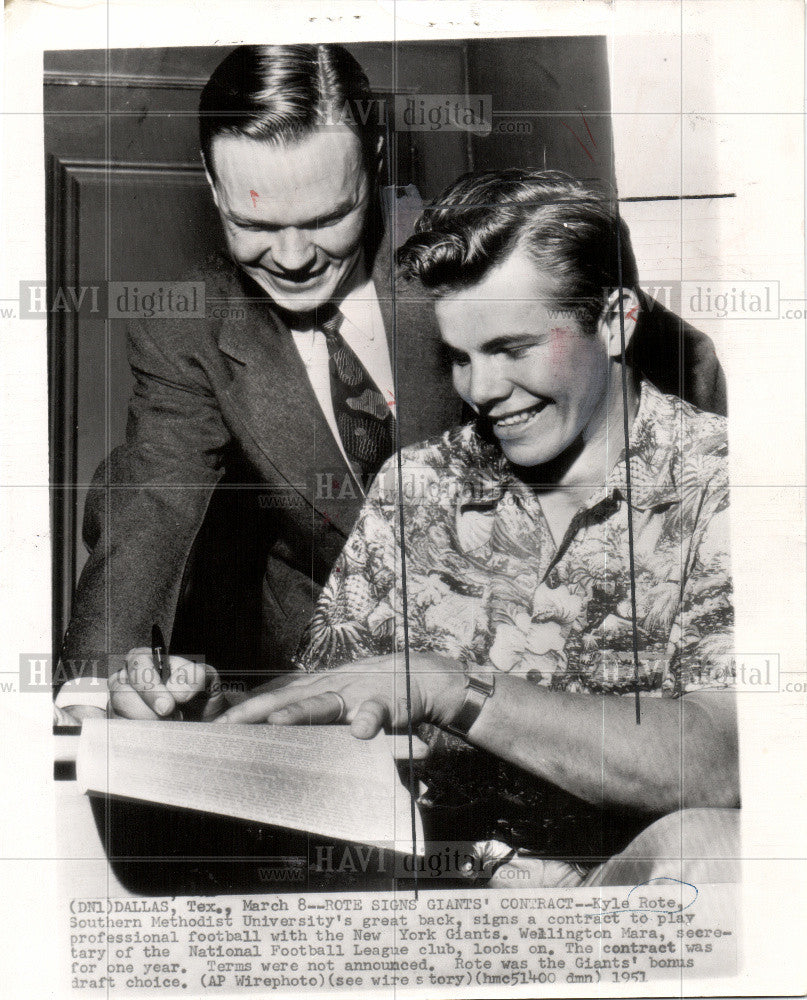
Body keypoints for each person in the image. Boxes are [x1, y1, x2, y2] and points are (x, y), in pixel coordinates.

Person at [57, 45, 726, 725]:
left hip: (540, 673)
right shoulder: (187, 327)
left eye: (326, 219)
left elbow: (677, 368)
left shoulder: (469, 258)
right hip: (328, 688)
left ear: (373, 156)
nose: (291, 259)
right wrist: (95, 690)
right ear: (210, 181)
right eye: (252, 225)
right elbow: (149, 508)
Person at [215, 170, 739, 887]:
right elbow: (331, 719)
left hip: (624, 912)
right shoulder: (419, 484)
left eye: (512, 349)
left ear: (615, 320)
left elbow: (722, 762)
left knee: (713, 851)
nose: (480, 391)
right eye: (459, 357)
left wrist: (456, 688)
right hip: (418, 903)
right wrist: (213, 716)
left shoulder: (726, 482)